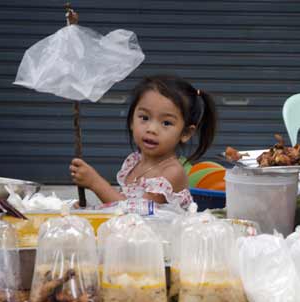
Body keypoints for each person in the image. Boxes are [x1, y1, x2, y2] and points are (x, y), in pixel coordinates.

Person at [69, 74, 217, 209]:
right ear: (132, 120)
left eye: (166, 123)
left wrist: (95, 183)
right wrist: (88, 209)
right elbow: (121, 204)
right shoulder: (134, 162)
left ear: (185, 133)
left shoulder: (172, 172)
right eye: (144, 118)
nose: (151, 129)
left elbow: (135, 215)